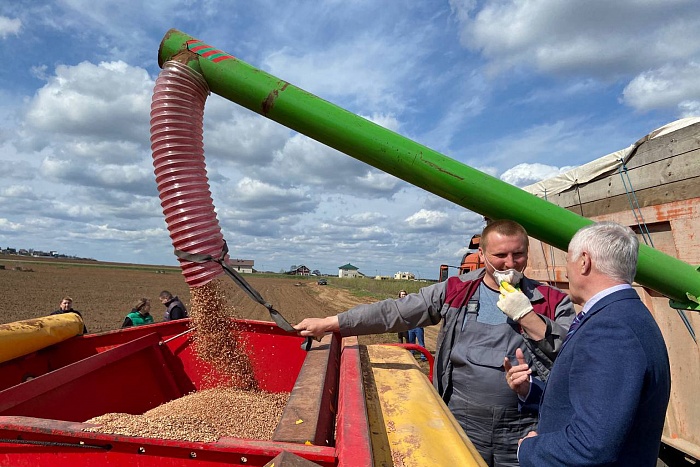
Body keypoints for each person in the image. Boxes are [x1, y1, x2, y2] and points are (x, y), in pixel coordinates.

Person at [295, 219, 575, 466]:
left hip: (524, 428)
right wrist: (331, 323)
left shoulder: (551, 301)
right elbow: (396, 312)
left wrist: (527, 316)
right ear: (482, 254)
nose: (510, 264)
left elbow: (572, 357)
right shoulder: (456, 291)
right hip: (461, 422)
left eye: (518, 255)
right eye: (500, 255)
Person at [506, 221, 671, 466]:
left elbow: (591, 445)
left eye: (568, 261)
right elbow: (603, 401)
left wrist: (529, 450)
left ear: (584, 261)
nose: (566, 271)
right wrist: (532, 390)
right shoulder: (625, 315)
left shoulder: (611, 329)